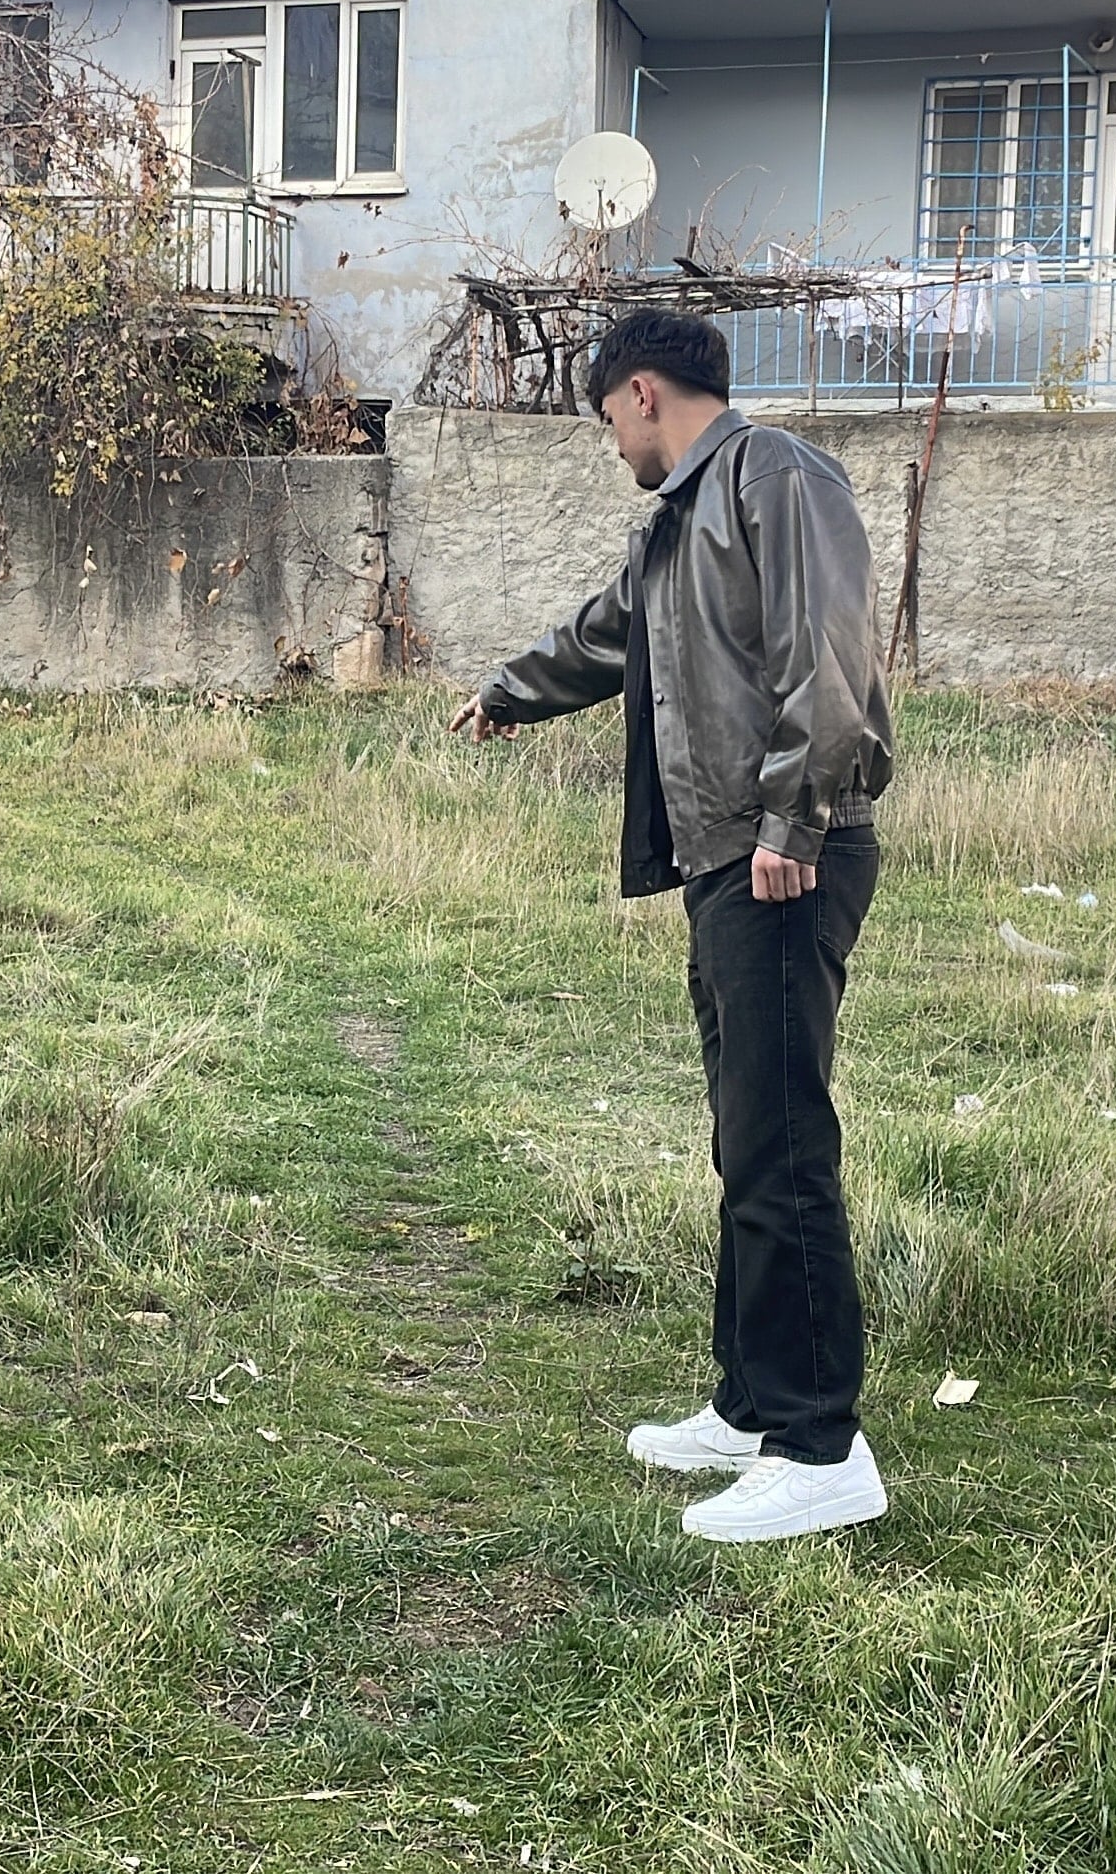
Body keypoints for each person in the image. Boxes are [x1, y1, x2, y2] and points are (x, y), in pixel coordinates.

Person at [447, 309, 896, 1544]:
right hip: (726, 858)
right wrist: (506, 693)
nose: (611, 444)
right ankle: (751, 1409)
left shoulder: (775, 477)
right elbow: (607, 633)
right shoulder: (677, 521)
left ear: (641, 394)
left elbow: (829, 655)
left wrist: (792, 824)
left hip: (782, 857)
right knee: (744, 1137)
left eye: (606, 419)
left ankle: (820, 1446)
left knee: (782, 1143)